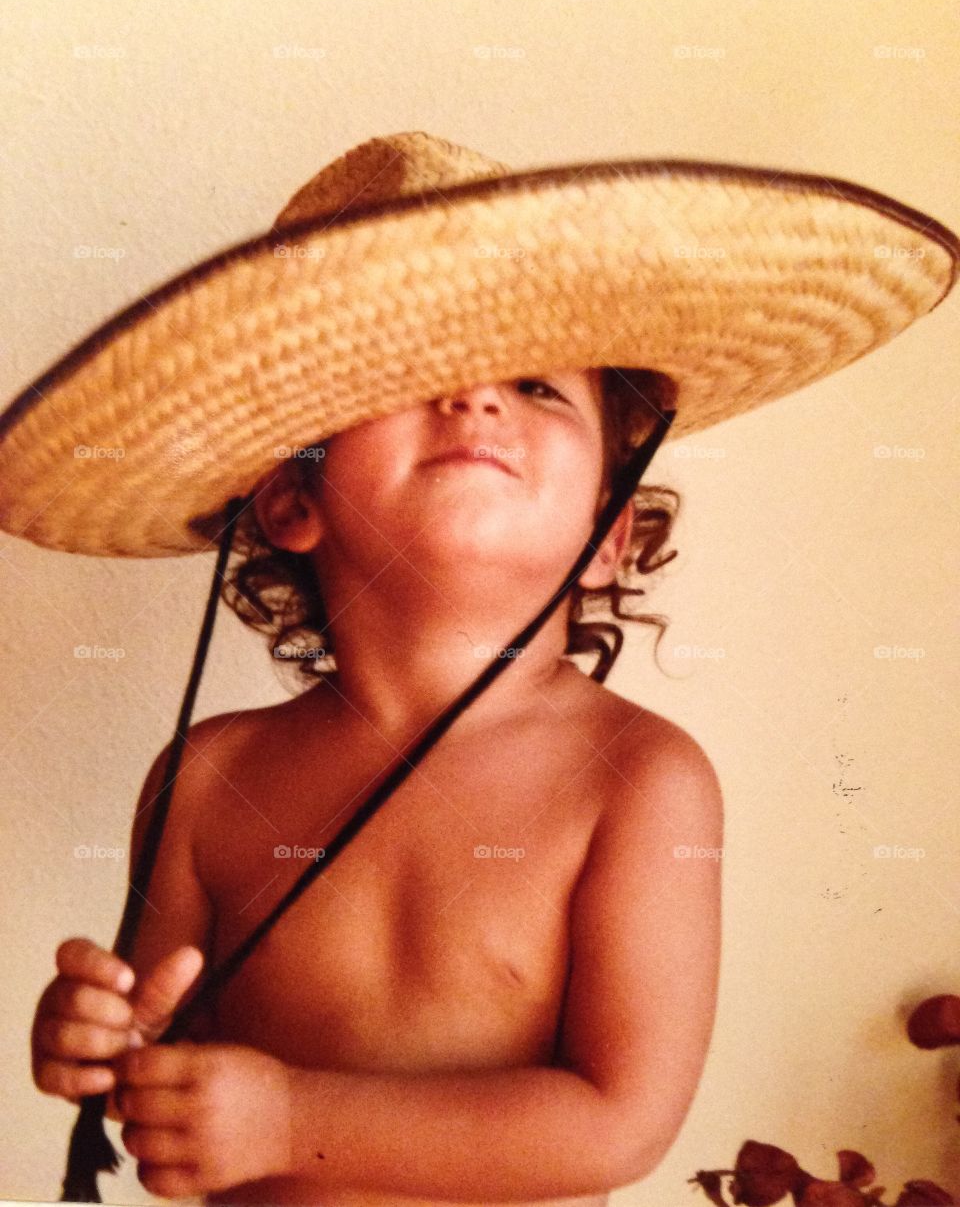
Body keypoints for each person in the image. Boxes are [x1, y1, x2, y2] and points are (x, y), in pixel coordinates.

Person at [8, 130, 957, 1205]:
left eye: (538, 385)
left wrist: (292, 1120)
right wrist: (97, 1044)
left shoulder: (637, 781)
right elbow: (163, 1057)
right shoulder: (205, 777)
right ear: (291, 499)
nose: (477, 398)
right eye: (409, 377)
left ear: (609, 529)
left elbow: (619, 1119)